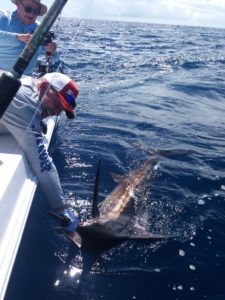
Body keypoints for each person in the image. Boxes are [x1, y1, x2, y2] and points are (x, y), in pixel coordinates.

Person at [0, 72, 80, 233]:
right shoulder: (25, 103)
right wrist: (61, 209)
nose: (57, 113)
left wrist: (37, 121)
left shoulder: (27, 86)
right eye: (57, 105)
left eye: (62, 110)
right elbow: (42, 163)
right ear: (43, 86)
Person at [0, 0, 57, 75]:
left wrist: (52, 52)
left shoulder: (40, 28)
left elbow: (53, 58)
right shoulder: (3, 17)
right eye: (28, 9)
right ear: (18, 3)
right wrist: (18, 37)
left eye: (36, 12)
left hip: (27, 79)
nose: (32, 14)